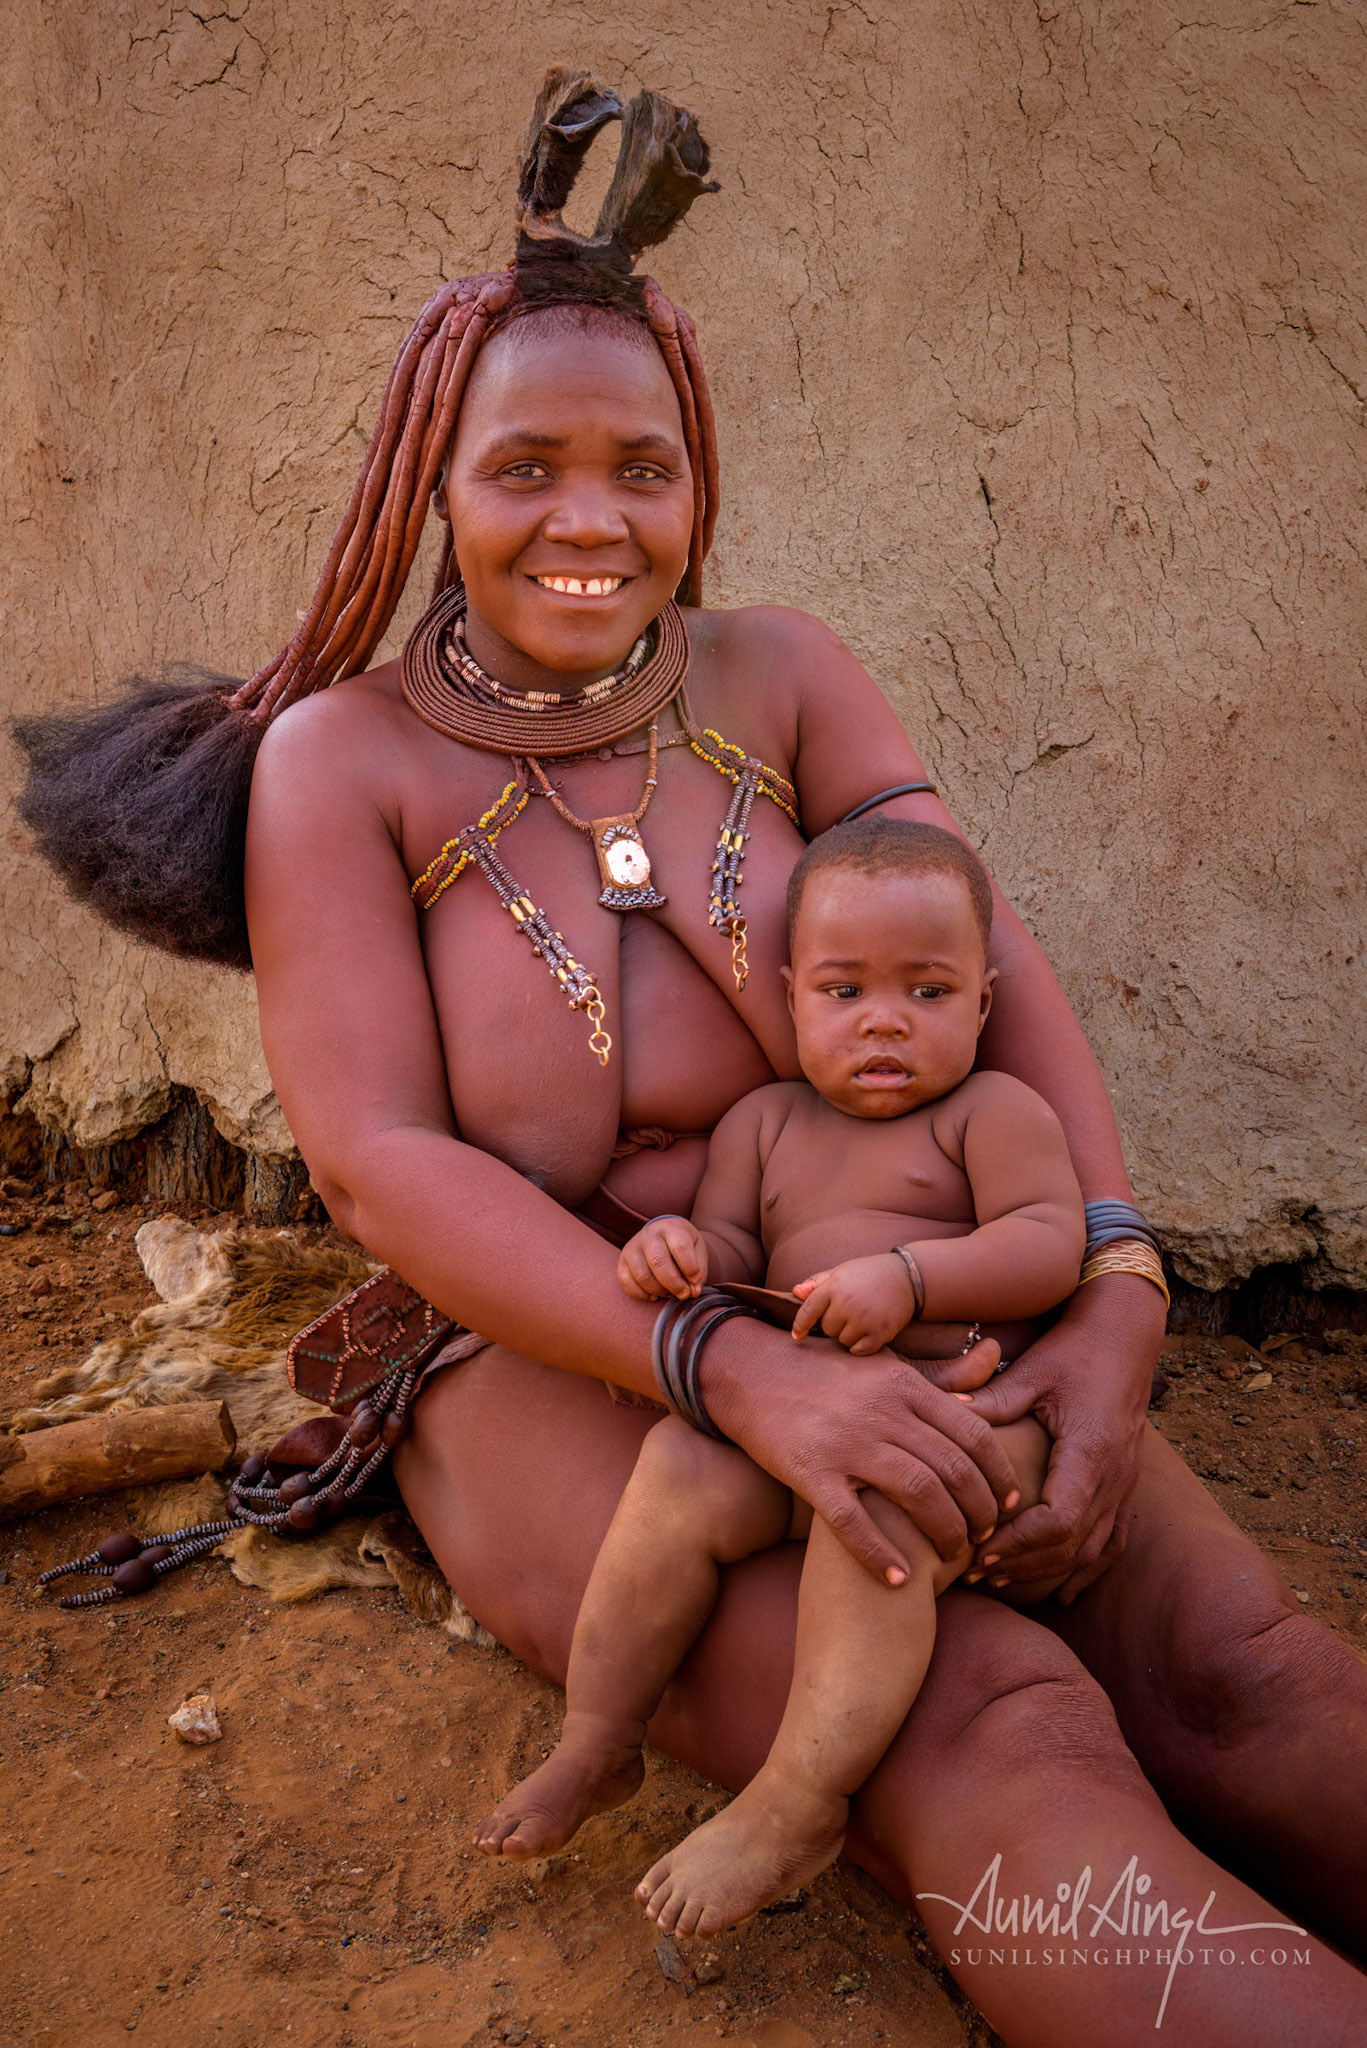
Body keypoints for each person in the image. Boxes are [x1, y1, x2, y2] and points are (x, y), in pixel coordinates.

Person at [19, 70, 1367, 2044]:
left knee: (1248, 1670)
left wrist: (1107, 1304)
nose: (588, 521)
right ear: (430, 488)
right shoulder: (349, 766)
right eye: (523, 468)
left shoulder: (786, 679)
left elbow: (998, 966)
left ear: (698, 474)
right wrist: (729, 1371)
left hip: (900, 1285)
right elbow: (389, 1159)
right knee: (994, 1722)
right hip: (555, 1358)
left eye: (638, 467)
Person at [475, 818, 1087, 1940]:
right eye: (845, 990)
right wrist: (678, 1255)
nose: (884, 1019)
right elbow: (732, 1256)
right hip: (794, 1423)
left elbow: (1051, 1239)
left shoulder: (990, 1114)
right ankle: (596, 1739)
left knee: (886, 1508)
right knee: (674, 1460)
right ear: (792, 994)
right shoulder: (762, 1123)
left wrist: (911, 1275)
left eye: (929, 991)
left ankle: (799, 1799)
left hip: (956, 1414)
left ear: (984, 1003)